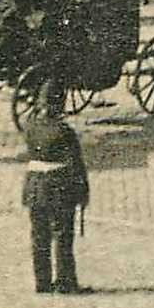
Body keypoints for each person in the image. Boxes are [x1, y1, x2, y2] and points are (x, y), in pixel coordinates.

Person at [22, 80, 92, 294]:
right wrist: (83, 192)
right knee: (62, 235)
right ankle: (65, 282)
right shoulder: (65, 131)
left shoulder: (30, 126)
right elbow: (76, 165)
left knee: (39, 236)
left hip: (34, 186)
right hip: (59, 187)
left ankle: (42, 283)